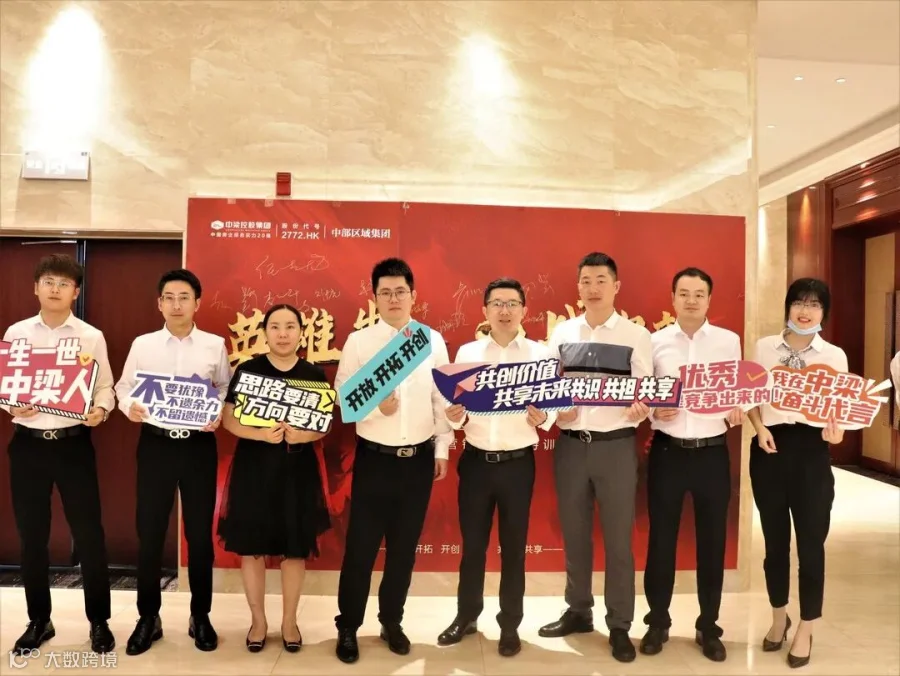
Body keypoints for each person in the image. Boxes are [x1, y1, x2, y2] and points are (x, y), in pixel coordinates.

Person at [333, 257, 453, 664]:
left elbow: (441, 398)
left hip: (417, 460)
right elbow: (343, 398)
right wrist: (374, 407)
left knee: (403, 549)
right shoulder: (359, 342)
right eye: (385, 292)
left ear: (413, 295)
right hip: (375, 460)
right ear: (375, 298)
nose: (393, 298)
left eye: (401, 291)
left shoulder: (430, 340)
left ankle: (391, 621)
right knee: (361, 548)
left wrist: (441, 449)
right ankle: (348, 625)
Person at [539, 251, 652, 663]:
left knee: (619, 540)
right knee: (575, 533)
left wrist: (643, 409)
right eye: (586, 281)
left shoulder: (635, 335)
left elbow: (647, 390)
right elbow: (547, 386)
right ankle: (578, 610)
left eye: (601, 280)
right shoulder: (563, 332)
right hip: (571, 445)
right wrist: (557, 411)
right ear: (578, 287)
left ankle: (619, 624)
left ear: (616, 286)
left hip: (616, 447)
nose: (593, 288)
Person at [2, 254, 116, 655]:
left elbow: (105, 386)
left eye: (64, 283)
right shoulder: (17, 332)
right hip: (28, 446)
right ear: (36, 287)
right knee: (32, 537)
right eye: (48, 281)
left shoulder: (90, 336)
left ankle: (99, 621)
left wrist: (101, 410)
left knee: (89, 535)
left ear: (76, 292)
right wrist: (10, 405)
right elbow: (5, 383)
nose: (55, 289)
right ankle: (39, 620)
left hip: (73, 445)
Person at [115, 269, 232, 655]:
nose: (177, 304)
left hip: (198, 447)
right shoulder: (143, 344)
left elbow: (223, 387)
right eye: (169, 297)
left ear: (197, 303)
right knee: (150, 534)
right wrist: (128, 406)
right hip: (156, 446)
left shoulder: (214, 345)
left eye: (184, 297)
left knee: (199, 536)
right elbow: (123, 387)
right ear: (159, 303)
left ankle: (201, 616)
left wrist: (216, 411)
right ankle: (148, 617)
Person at [438, 278, 556, 658]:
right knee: (473, 547)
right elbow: (458, 413)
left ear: (524, 310)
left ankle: (510, 625)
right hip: (476, 463)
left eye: (512, 303)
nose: (505, 311)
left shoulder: (540, 355)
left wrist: (544, 417)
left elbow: (552, 407)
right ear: (485, 310)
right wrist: (455, 416)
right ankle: (466, 616)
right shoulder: (468, 352)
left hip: (517, 466)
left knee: (514, 549)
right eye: (497, 303)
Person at [639, 267, 743, 662]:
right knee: (661, 540)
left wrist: (737, 409)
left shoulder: (728, 341)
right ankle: (657, 622)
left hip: (712, 452)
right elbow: (644, 394)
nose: (691, 300)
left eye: (699, 294)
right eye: (684, 293)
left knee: (712, 543)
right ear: (673, 298)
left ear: (709, 299)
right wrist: (654, 411)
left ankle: (708, 627)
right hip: (668, 452)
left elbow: (738, 391)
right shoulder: (654, 342)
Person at [218, 304, 333, 653]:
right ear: (265, 332)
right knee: (251, 548)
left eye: (290, 327)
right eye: (275, 327)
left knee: (294, 549)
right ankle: (258, 621)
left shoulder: (313, 374)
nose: (283, 334)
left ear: (301, 332)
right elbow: (228, 419)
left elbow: (323, 424)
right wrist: (259, 434)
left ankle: (289, 622)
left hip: (297, 470)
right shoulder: (249, 370)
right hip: (254, 469)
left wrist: (305, 435)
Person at [747, 278, 847, 670]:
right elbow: (750, 396)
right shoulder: (764, 347)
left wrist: (837, 434)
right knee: (774, 544)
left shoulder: (834, 356)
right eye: (799, 303)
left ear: (824, 312)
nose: (805, 311)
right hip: (769, 449)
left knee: (810, 546)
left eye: (814, 304)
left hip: (811, 455)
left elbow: (839, 410)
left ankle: (806, 626)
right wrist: (759, 428)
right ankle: (778, 617)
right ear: (788, 307)